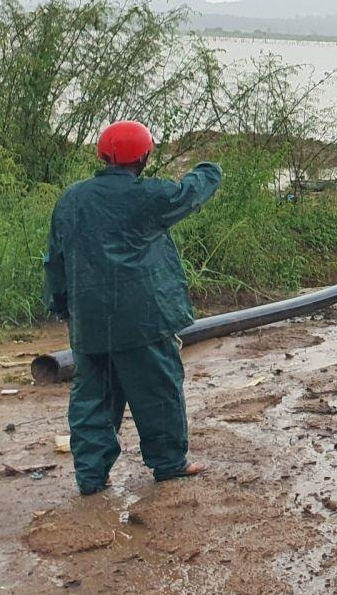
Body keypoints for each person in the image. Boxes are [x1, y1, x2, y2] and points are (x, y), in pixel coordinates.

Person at [43, 120, 223, 495]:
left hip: (89, 322)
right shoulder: (148, 196)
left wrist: (62, 306)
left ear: (102, 156)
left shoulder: (72, 199)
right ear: (143, 157)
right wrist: (210, 168)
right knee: (158, 392)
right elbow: (190, 192)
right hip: (143, 320)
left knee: (92, 400)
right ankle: (169, 463)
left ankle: (91, 477)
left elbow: (55, 259)